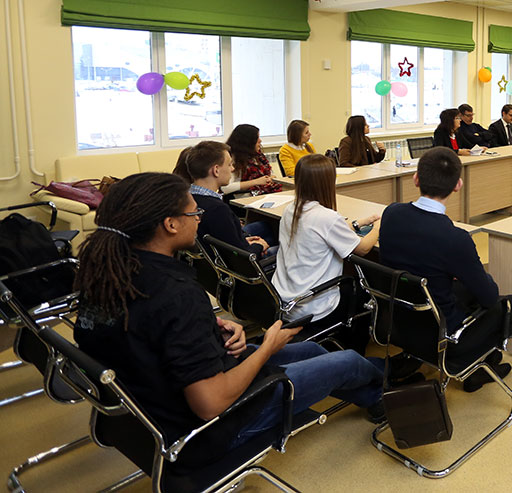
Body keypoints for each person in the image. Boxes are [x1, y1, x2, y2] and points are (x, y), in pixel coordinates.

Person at [72, 173, 386, 468]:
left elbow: (147, 333)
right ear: (170, 224)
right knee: (346, 362)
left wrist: (208, 330)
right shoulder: (176, 294)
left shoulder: (105, 272)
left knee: (312, 351)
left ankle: (374, 391)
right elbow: (211, 404)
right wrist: (268, 346)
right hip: (210, 429)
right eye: (194, 213)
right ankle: (383, 390)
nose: (199, 219)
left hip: (151, 404)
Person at [378, 147, 512, 392]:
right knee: (511, 303)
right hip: (441, 336)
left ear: (416, 179)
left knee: (463, 289)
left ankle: (471, 359)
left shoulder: (391, 213)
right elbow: (489, 297)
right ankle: (473, 368)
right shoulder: (455, 239)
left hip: (394, 322)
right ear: (458, 185)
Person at [274, 154, 380, 325]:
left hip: (285, 302)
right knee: (368, 290)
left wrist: (359, 223)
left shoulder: (291, 209)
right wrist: (378, 227)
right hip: (314, 308)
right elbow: (363, 249)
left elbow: (324, 232)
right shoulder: (327, 217)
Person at [186, 141, 271, 256]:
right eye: (229, 164)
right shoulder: (218, 210)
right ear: (216, 170)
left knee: (265, 228)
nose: (232, 169)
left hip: (212, 258)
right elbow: (240, 255)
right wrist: (259, 246)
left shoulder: (185, 199)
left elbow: (228, 241)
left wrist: (243, 240)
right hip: (238, 262)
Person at [225, 124, 280, 195]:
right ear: (248, 141)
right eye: (257, 138)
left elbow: (272, 174)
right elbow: (225, 188)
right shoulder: (232, 159)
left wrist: (269, 178)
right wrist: (256, 182)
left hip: (264, 193)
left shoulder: (258, 156)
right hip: (244, 197)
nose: (260, 140)